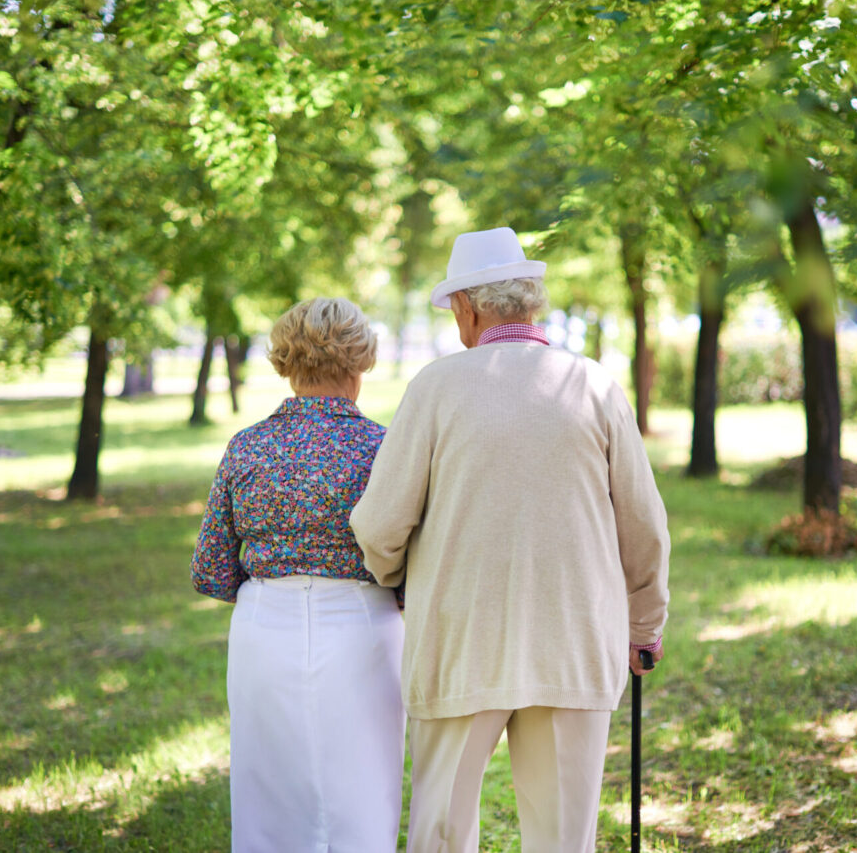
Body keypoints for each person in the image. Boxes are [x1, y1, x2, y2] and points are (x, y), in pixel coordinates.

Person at [350, 226, 671, 853]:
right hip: (572, 642)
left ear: (469, 307)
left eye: (453, 312)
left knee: (440, 830)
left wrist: (395, 577)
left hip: (461, 639)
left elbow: (381, 522)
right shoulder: (595, 386)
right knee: (561, 839)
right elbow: (644, 525)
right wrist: (644, 627)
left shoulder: (435, 387)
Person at [190, 297, 403, 853]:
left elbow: (210, 571)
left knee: (268, 795)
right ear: (361, 365)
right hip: (365, 626)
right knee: (364, 787)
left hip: (265, 625)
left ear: (286, 362)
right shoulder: (385, 449)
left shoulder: (248, 446)